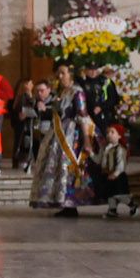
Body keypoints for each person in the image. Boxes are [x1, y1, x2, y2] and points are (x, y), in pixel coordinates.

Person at [30, 63, 95, 216]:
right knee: (60, 169)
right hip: (59, 133)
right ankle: (65, 203)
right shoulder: (63, 91)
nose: (59, 76)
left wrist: (86, 140)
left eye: (62, 73)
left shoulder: (77, 92)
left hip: (72, 135)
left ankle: (71, 204)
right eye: (58, 73)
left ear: (70, 74)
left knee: (68, 169)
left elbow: (82, 115)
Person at [92, 123, 136, 219]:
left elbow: (121, 164)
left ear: (119, 135)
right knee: (110, 194)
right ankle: (112, 210)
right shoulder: (104, 148)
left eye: (112, 132)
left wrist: (115, 174)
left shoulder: (120, 149)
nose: (109, 134)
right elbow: (98, 160)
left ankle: (132, 204)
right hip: (107, 175)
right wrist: (91, 154)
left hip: (118, 176)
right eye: (108, 132)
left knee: (119, 194)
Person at [13, 79, 49, 173]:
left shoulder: (54, 100)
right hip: (35, 132)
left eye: (42, 91)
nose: (39, 93)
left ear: (48, 90)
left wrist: (45, 110)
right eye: (37, 91)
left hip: (48, 133)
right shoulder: (33, 101)